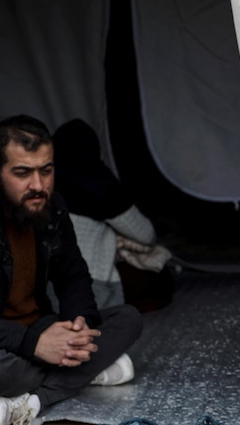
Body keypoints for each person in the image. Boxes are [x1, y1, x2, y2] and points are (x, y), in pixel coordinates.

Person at [0, 114, 144, 425]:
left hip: (38, 328)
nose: (38, 185)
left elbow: (73, 276)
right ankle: (86, 373)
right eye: (22, 173)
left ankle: (31, 400)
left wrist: (79, 324)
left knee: (128, 318)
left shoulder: (52, 206)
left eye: (46, 170)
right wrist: (34, 344)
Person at [52, 118, 174, 312]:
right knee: (161, 277)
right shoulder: (98, 184)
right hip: (87, 287)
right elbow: (146, 235)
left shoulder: (40, 183)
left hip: (44, 287)